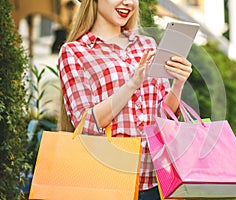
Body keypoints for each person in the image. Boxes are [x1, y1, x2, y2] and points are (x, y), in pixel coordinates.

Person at [58, 0, 192, 199]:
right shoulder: (75, 52)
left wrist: (178, 84)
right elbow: (84, 124)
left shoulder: (147, 45)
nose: (128, 2)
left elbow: (164, 117)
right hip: (109, 184)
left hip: (158, 183)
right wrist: (131, 85)